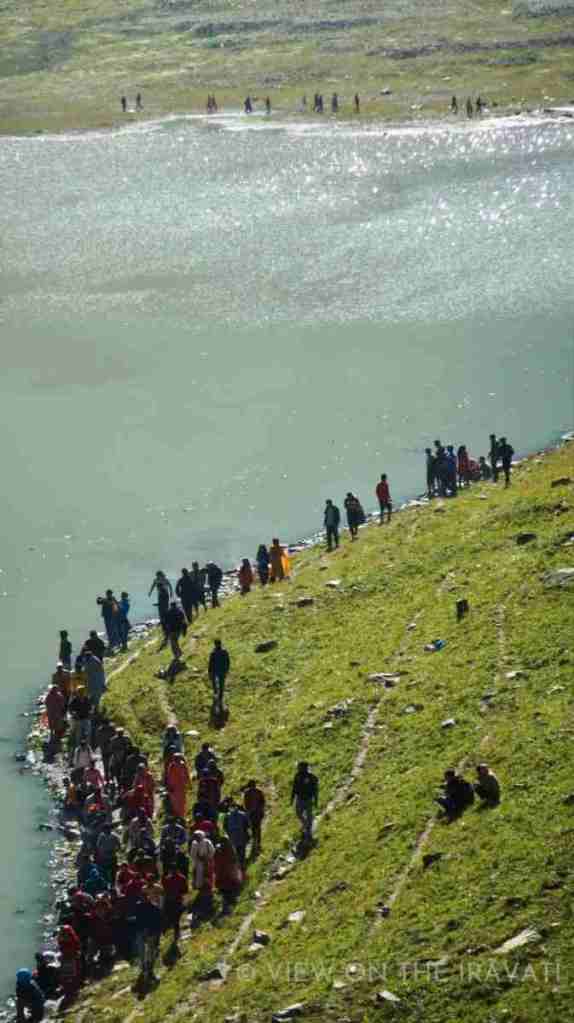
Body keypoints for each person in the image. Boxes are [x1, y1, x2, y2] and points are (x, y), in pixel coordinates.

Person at [290, 761, 319, 839]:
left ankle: (308, 833)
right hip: (299, 799)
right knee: (298, 813)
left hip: (308, 799)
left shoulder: (312, 777)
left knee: (309, 816)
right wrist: (292, 798)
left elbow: (316, 790)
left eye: (299, 767)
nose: (298, 768)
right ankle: (305, 824)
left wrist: (316, 800)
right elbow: (294, 787)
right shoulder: (297, 776)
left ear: (304, 768)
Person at [162, 865, 188, 944]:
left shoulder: (167, 879)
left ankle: (174, 934)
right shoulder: (182, 878)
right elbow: (185, 890)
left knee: (172, 918)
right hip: (178, 900)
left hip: (170, 901)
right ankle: (178, 935)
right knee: (177, 919)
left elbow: (165, 890)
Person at [224, 801, 250, 869]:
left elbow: (225, 827)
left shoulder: (228, 816)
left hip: (234, 837)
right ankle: (241, 866)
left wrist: (229, 833)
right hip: (240, 836)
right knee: (241, 852)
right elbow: (247, 825)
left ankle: (238, 867)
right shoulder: (243, 814)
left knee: (236, 852)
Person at [243, 779, 265, 855]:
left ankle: (255, 843)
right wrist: (261, 811)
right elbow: (263, 802)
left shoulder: (247, 793)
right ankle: (258, 843)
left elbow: (245, 804)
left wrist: (247, 812)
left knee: (253, 828)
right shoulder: (259, 792)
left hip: (251, 814)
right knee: (258, 828)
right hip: (257, 813)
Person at [166, 753, 190, 820]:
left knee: (182, 802)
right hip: (174, 788)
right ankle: (177, 816)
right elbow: (168, 777)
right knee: (175, 803)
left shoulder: (182, 765)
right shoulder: (172, 766)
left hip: (181, 787)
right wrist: (169, 786)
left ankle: (182, 816)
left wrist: (188, 783)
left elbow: (187, 774)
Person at [208, 638, 230, 708]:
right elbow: (227, 662)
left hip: (215, 670)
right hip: (222, 670)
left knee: (214, 682)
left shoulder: (213, 653)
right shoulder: (224, 651)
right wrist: (226, 669)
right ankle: (220, 696)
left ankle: (216, 693)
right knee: (221, 683)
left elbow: (210, 663)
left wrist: (209, 672)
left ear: (215, 644)